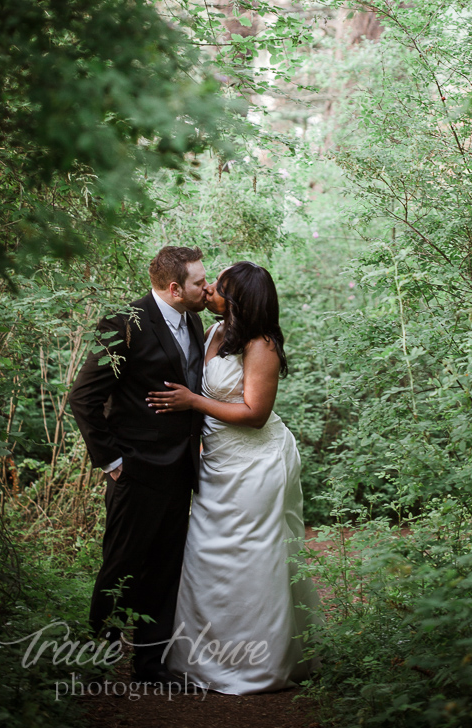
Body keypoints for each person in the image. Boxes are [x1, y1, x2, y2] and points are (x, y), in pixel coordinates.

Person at [147, 260, 320, 694]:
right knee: (207, 552)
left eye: (216, 288)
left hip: (257, 463)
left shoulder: (261, 345)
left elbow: (255, 415)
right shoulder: (214, 331)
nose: (207, 292)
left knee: (252, 558)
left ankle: (260, 662)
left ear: (237, 299)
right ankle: (204, 657)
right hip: (219, 462)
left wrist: (192, 403)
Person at [68, 245, 207, 685]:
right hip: (136, 470)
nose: (207, 287)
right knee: (121, 566)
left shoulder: (194, 319)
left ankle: (151, 666)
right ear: (174, 287)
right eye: (199, 282)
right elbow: (83, 398)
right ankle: (96, 664)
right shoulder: (122, 324)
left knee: (166, 570)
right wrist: (111, 460)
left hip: (181, 468)